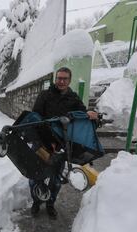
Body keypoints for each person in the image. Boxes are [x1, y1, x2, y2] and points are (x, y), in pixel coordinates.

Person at [30, 67, 97, 219]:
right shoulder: (44, 96)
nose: (61, 81)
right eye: (59, 78)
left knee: (56, 179)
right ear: (55, 79)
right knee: (35, 176)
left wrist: (90, 114)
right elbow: (35, 119)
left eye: (64, 79)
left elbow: (81, 115)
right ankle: (36, 201)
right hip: (41, 142)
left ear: (69, 80)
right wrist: (47, 140)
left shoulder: (73, 98)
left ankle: (50, 204)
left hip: (60, 145)